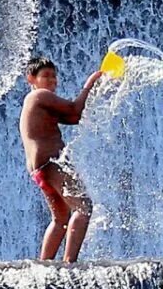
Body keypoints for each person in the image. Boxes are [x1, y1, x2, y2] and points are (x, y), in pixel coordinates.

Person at [19, 57, 103, 263]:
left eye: (54, 77)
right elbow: (75, 110)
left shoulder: (38, 103)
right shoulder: (39, 96)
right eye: (46, 76)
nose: (52, 81)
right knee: (84, 208)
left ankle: (44, 263)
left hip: (39, 169)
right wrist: (90, 84)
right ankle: (69, 264)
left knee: (60, 218)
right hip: (50, 164)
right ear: (31, 78)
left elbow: (73, 118)